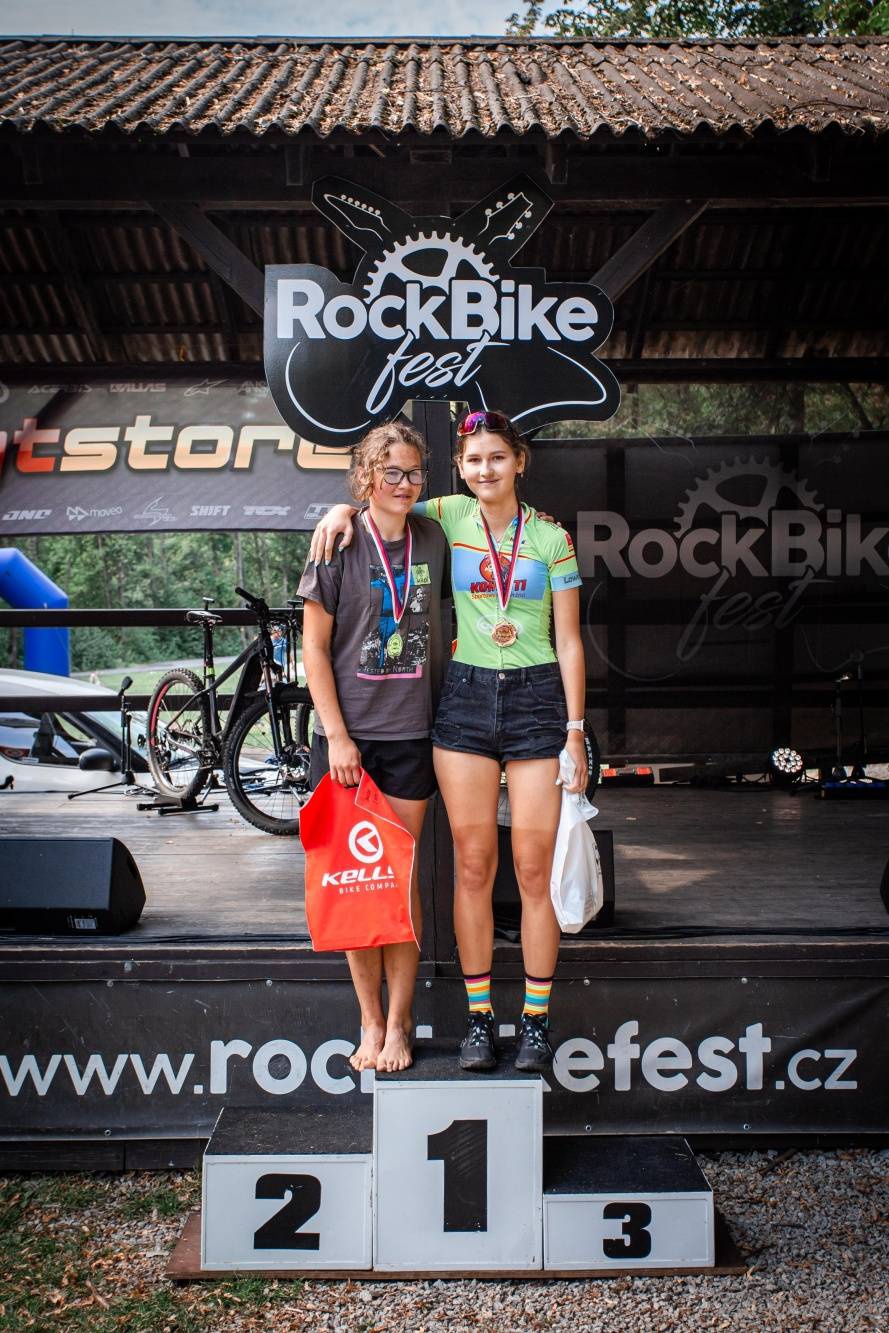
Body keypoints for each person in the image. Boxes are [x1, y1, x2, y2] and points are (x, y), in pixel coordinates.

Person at [310, 409, 587, 1074]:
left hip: (535, 699)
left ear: (519, 461)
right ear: (460, 470)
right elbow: (381, 500)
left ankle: (536, 1022)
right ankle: (479, 1019)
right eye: (474, 459)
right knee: (470, 865)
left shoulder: (551, 537)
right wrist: (338, 511)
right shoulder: (445, 516)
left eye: (498, 456)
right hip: (463, 697)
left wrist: (576, 730)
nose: (486, 469)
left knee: (532, 869)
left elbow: (571, 640)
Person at [298, 421, 448, 1074]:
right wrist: (337, 736)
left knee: (400, 884)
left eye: (414, 472)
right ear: (365, 477)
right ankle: (368, 1018)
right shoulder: (336, 542)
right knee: (357, 885)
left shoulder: (434, 536)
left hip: (411, 735)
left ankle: (401, 1020)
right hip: (348, 743)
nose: (404, 484)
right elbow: (312, 648)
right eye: (391, 472)